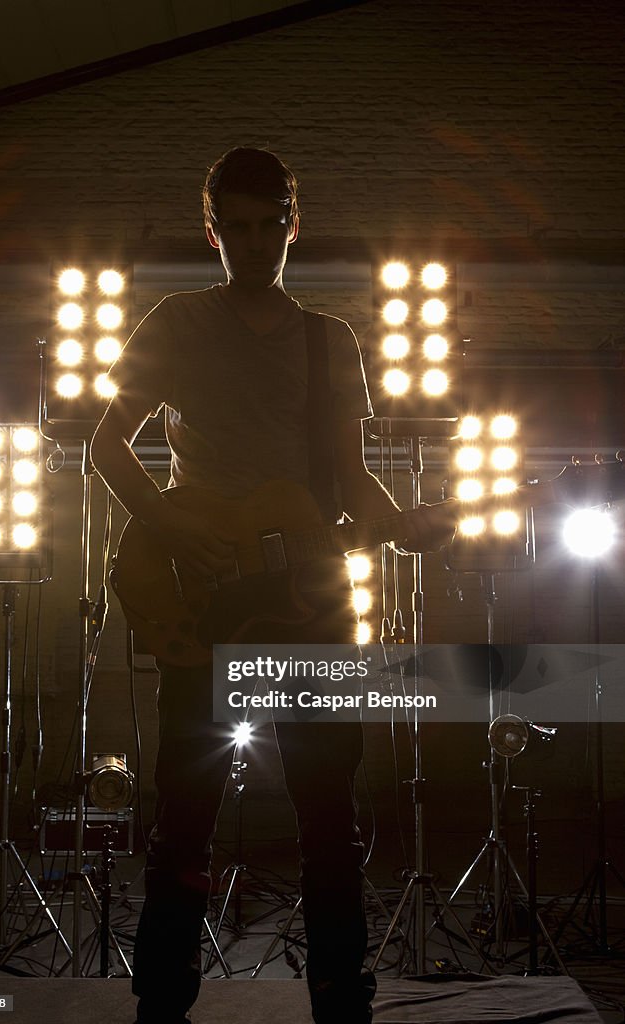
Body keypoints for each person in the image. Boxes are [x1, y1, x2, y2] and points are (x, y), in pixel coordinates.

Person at [91, 147, 446, 1024]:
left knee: (331, 815)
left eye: (270, 225)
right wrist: (167, 521)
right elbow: (106, 445)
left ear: (295, 223)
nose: (254, 245)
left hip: (311, 594)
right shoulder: (174, 322)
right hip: (205, 591)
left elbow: (350, 479)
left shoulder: (333, 341)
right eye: (235, 229)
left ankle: (339, 995)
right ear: (212, 231)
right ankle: (162, 1000)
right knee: (185, 814)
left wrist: (403, 520)